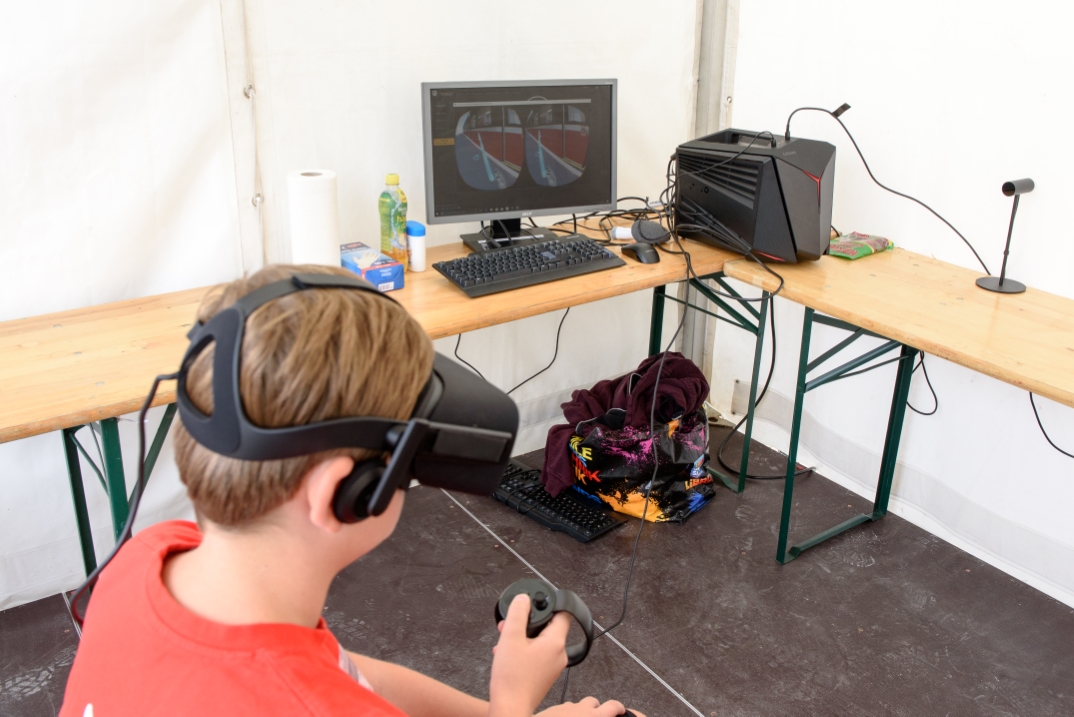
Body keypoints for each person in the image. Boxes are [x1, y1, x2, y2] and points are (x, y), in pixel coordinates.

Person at [60, 264, 641, 717]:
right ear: (346, 490)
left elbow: (338, 672)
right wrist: (513, 700)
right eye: (408, 461)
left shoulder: (151, 560)